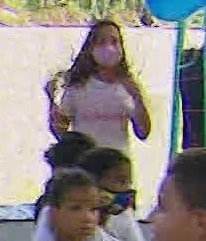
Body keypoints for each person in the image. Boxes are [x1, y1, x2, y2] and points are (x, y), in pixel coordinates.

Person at [48, 19, 152, 152]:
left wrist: (137, 97)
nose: (109, 48)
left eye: (114, 42)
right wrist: (52, 102)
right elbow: (61, 133)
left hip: (117, 165)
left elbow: (143, 133)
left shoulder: (128, 86)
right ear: (91, 48)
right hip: (84, 162)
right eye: (102, 42)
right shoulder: (78, 85)